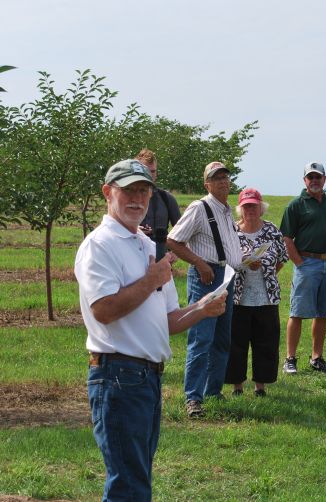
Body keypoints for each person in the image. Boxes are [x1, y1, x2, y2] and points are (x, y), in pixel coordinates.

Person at [76, 159, 227, 501]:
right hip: (117, 377)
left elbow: (169, 320)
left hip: (147, 379)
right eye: (128, 190)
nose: (137, 199)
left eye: (143, 191)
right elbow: (104, 311)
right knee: (129, 484)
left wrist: (202, 309)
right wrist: (151, 280)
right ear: (107, 193)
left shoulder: (148, 247)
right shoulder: (99, 245)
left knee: (136, 476)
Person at [167, 162, 243, 417]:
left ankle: (213, 391)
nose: (222, 181)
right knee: (202, 338)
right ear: (206, 184)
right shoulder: (200, 207)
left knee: (222, 338)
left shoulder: (226, 209)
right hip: (207, 277)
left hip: (227, 276)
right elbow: (173, 240)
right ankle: (193, 398)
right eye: (216, 178)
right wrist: (199, 263)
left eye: (225, 176)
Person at [280, 162, 326, 374]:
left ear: (325, 179)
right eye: (310, 177)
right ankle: (290, 358)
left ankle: (317, 358)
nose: (314, 181)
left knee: (323, 312)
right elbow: (286, 238)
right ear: (304, 181)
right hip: (307, 263)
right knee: (298, 312)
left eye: (318, 177)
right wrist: (299, 263)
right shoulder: (296, 205)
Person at [225, 188, 288, 397]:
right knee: (236, 342)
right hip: (238, 296)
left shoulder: (272, 230)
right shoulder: (232, 230)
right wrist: (244, 263)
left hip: (266, 296)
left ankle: (260, 386)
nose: (250, 209)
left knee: (266, 342)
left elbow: (282, 259)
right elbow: (224, 259)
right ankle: (237, 386)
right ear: (240, 209)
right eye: (246, 206)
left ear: (261, 208)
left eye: (254, 205)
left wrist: (265, 269)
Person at [135, 148, 181, 240]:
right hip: (132, 250)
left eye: (153, 171)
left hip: (161, 252)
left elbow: (181, 231)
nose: (150, 175)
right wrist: (134, 230)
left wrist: (173, 253)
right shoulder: (126, 198)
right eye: (146, 171)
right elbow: (115, 228)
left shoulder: (167, 198)